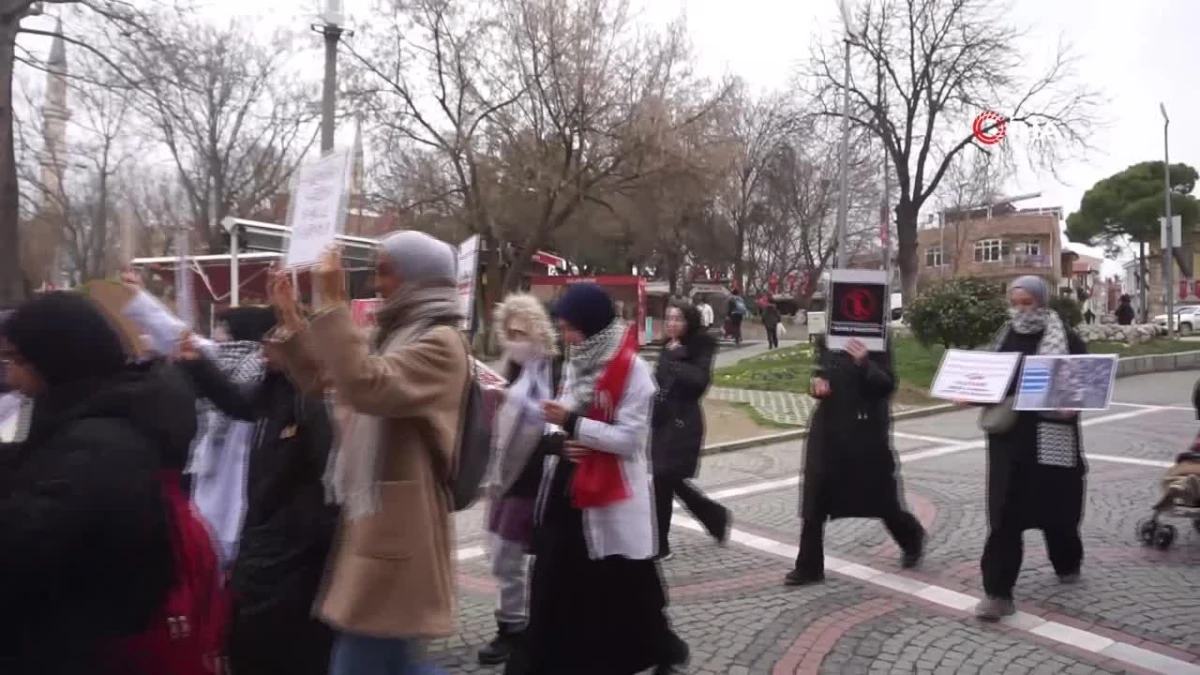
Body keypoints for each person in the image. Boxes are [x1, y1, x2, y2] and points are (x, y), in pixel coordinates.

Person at [267, 232, 469, 675]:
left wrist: (333, 303)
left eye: (384, 271)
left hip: (402, 528)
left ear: (417, 278)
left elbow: (366, 385)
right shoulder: (390, 334)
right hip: (379, 525)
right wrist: (293, 317)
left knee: (360, 662)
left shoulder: (442, 343)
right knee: (391, 662)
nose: (376, 284)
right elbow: (327, 379)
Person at [511, 283, 688, 675]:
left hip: (610, 495)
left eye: (571, 326)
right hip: (568, 493)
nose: (566, 334)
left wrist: (573, 424)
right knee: (553, 580)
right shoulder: (577, 361)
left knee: (620, 584)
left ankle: (647, 654)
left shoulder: (633, 371)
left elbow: (628, 440)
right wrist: (558, 443)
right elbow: (557, 420)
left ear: (592, 325)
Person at [0, 292, 176, 674]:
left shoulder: (94, 446)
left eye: (18, 360)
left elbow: (22, 548)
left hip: (75, 649)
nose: (10, 376)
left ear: (58, 358)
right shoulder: (84, 419)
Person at [177, 308, 338, 675]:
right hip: (266, 536)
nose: (261, 350)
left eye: (272, 342)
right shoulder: (274, 387)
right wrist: (198, 365)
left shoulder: (312, 398)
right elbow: (238, 405)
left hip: (292, 549)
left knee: (284, 646)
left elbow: (327, 479)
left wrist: (288, 538)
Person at [971, 275, 1088, 621]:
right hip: (1009, 441)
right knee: (1004, 515)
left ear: (1041, 301)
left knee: (1059, 511)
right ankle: (998, 593)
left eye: (1028, 302)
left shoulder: (1067, 339)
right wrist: (970, 393)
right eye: (1016, 302)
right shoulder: (1003, 337)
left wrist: (1073, 404)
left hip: (1053, 436)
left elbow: (1083, 383)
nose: (1022, 310)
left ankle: (1067, 561)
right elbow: (987, 378)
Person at [785, 334, 925, 587]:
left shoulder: (877, 339)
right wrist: (816, 384)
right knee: (815, 493)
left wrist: (864, 363)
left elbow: (887, 384)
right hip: (828, 428)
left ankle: (911, 537)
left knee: (880, 497)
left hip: (865, 429)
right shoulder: (828, 338)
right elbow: (820, 372)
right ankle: (809, 566)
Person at [477, 293, 564, 665]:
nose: (515, 339)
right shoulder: (505, 367)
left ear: (539, 333)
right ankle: (513, 624)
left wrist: (522, 408)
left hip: (541, 478)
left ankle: (530, 626)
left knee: (528, 558)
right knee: (501, 555)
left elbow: (561, 421)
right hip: (507, 477)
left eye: (523, 332)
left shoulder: (557, 370)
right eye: (509, 331)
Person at [187, 306, 279, 569]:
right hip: (214, 460)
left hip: (241, 457)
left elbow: (235, 399)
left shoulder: (257, 370)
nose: (217, 335)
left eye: (224, 329)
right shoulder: (210, 364)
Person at [651, 303, 731, 560]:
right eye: (669, 318)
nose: (672, 323)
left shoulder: (701, 345)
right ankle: (714, 516)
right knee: (666, 479)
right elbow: (659, 382)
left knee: (664, 478)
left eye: (678, 318)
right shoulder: (666, 346)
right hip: (662, 420)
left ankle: (661, 545)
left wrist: (677, 358)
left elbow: (699, 382)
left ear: (690, 321)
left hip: (684, 421)